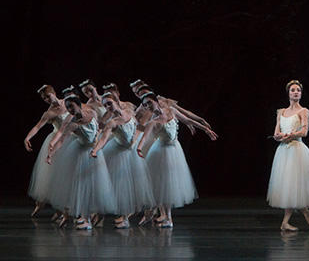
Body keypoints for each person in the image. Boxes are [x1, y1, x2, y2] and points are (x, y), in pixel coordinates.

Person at [137, 91, 217, 228]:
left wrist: (205, 129)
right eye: (145, 105)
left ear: (156, 101)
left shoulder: (171, 111)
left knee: (169, 184)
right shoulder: (153, 122)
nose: (148, 106)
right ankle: (163, 216)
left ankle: (166, 217)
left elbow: (188, 120)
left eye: (149, 102)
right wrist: (139, 148)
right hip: (161, 152)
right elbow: (144, 137)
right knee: (163, 185)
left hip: (174, 151)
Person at [47, 94, 116, 230]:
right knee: (82, 185)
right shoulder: (73, 124)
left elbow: (98, 130)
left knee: (94, 185)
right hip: (81, 153)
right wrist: (51, 154)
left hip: (94, 153)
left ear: (78, 104)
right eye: (68, 108)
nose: (70, 110)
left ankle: (92, 216)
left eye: (71, 106)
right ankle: (84, 217)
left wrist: (96, 144)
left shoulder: (92, 113)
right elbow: (62, 140)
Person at [91, 92, 155, 229]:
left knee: (131, 184)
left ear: (116, 101)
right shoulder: (112, 123)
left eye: (109, 103)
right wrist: (95, 150)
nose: (108, 107)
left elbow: (138, 126)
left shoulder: (129, 113)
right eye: (105, 105)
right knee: (117, 184)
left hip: (130, 152)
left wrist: (135, 140)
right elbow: (103, 139)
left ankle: (125, 216)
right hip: (117, 153)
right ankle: (105, 214)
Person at [267, 80, 309, 231]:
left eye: (298, 90)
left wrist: (291, 135)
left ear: (301, 93)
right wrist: (279, 137)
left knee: (293, 185)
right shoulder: (281, 112)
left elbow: (304, 132)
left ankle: (288, 221)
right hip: (283, 151)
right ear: (288, 93)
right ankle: (306, 213)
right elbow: (276, 133)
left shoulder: (304, 111)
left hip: (297, 150)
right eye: (293, 90)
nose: (296, 92)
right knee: (288, 186)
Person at [24, 85, 71, 217]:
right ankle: (55, 207)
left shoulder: (68, 103)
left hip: (71, 139)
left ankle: (66, 208)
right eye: (44, 98)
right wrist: (27, 137)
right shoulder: (49, 113)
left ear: (54, 93)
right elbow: (37, 127)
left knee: (69, 174)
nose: (47, 99)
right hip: (56, 141)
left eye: (48, 96)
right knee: (54, 175)